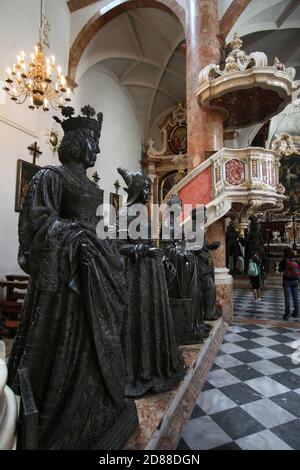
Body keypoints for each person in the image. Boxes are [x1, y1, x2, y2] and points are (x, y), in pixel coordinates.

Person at [7, 106, 138, 450]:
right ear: (78, 143)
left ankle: (94, 401)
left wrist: (98, 242)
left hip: (93, 269)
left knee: (95, 344)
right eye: (92, 142)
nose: (96, 150)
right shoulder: (51, 176)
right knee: (62, 345)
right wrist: (77, 237)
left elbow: (92, 226)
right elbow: (38, 222)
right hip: (67, 281)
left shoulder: (90, 184)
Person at [117, 168, 186, 398]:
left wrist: (162, 257)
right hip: (135, 275)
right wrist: (142, 249)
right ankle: (137, 369)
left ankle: (153, 364)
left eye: (149, 187)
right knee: (136, 318)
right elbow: (118, 246)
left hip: (150, 273)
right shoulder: (125, 213)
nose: (149, 192)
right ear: (136, 190)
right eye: (145, 187)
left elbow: (150, 242)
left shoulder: (143, 214)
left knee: (150, 317)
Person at [279, 247, 300, 320]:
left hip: (287, 280)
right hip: (295, 280)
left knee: (287, 298)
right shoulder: (296, 261)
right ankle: (296, 313)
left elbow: (279, 269)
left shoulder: (284, 260)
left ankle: (287, 314)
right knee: (296, 297)